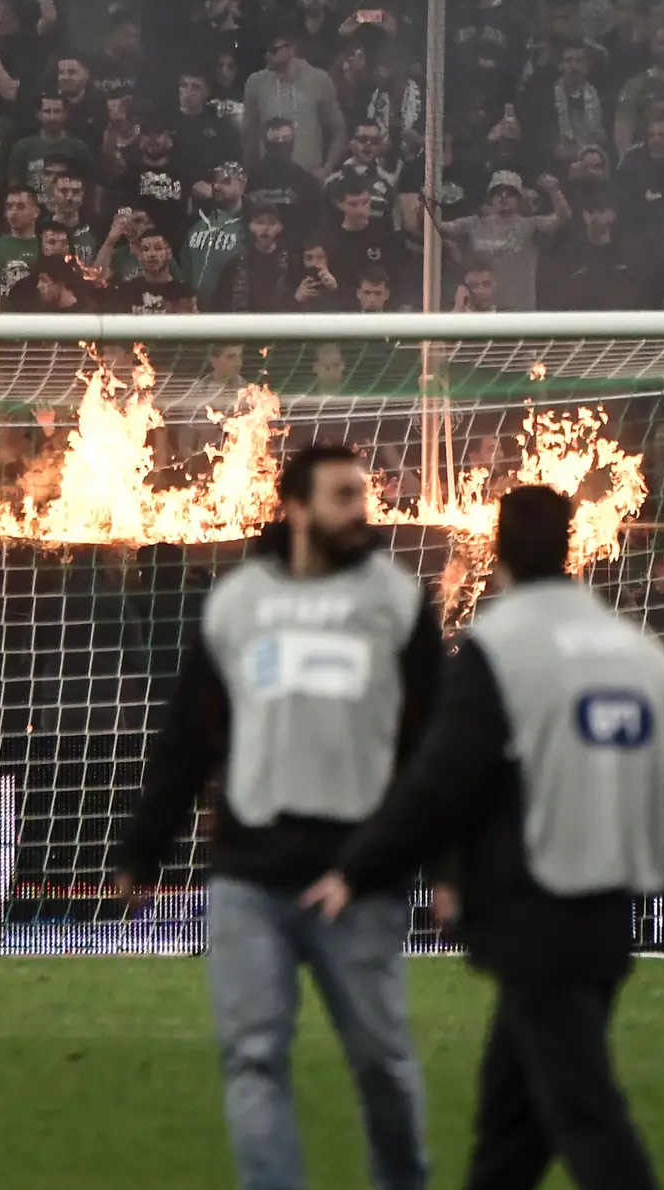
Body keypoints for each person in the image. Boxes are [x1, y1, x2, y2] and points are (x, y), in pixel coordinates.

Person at [301, 485, 664, 1190]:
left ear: (497, 551)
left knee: (585, 1114)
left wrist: (359, 867)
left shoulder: (501, 648)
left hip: (535, 911)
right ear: (570, 546)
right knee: (512, 1127)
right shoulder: (636, 651)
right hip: (605, 915)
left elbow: (440, 781)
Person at [114, 443, 444, 1190]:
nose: (360, 509)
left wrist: (449, 867)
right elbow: (189, 736)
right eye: (342, 496)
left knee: (382, 1064)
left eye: (362, 495)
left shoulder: (398, 602)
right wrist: (143, 850)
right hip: (249, 876)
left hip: (357, 878)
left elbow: (438, 750)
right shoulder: (239, 604)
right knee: (253, 1058)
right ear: (295, 507)